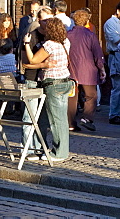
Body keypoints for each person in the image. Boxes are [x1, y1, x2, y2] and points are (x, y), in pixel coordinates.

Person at [22, 17, 72, 163]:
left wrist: (26, 43)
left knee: (55, 120)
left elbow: (32, 60)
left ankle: (59, 153)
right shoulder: (65, 42)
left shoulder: (50, 45)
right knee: (62, 118)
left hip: (53, 83)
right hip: (65, 81)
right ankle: (62, 149)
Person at [66, 9, 105, 132]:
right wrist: (102, 68)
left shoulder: (67, 34)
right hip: (88, 70)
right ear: (87, 20)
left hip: (71, 69)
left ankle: (70, 123)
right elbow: (98, 54)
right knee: (91, 95)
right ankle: (86, 118)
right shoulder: (90, 35)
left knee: (72, 97)